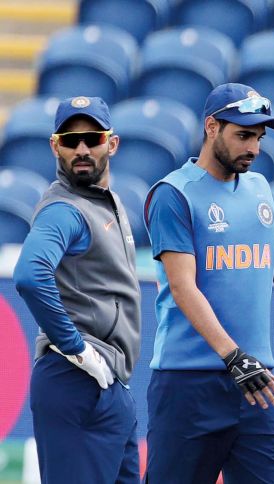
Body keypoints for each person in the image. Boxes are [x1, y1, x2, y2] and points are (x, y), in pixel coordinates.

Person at [143, 83, 274, 484]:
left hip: (258, 383)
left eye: (260, 138)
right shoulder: (173, 193)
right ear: (211, 126)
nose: (254, 147)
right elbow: (183, 286)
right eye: (244, 135)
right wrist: (234, 357)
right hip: (189, 383)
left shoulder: (261, 190)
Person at [13, 96, 141, 483]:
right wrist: (76, 348)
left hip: (110, 383)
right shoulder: (63, 208)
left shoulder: (108, 203)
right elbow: (30, 274)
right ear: (55, 146)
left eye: (92, 139)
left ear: (111, 144)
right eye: (71, 140)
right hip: (75, 378)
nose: (82, 149)